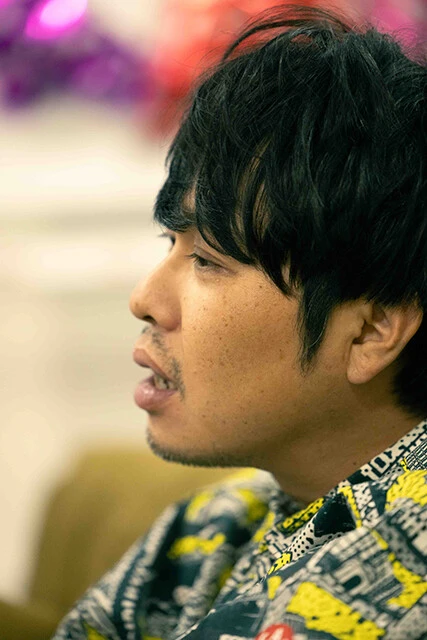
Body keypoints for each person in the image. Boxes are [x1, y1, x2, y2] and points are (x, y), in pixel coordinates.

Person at [53, 6, 426, 639]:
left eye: (208, 260)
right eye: (171, 243)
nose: (145, 299)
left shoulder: (404, 576)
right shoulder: (202, 534)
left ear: (370, 332)